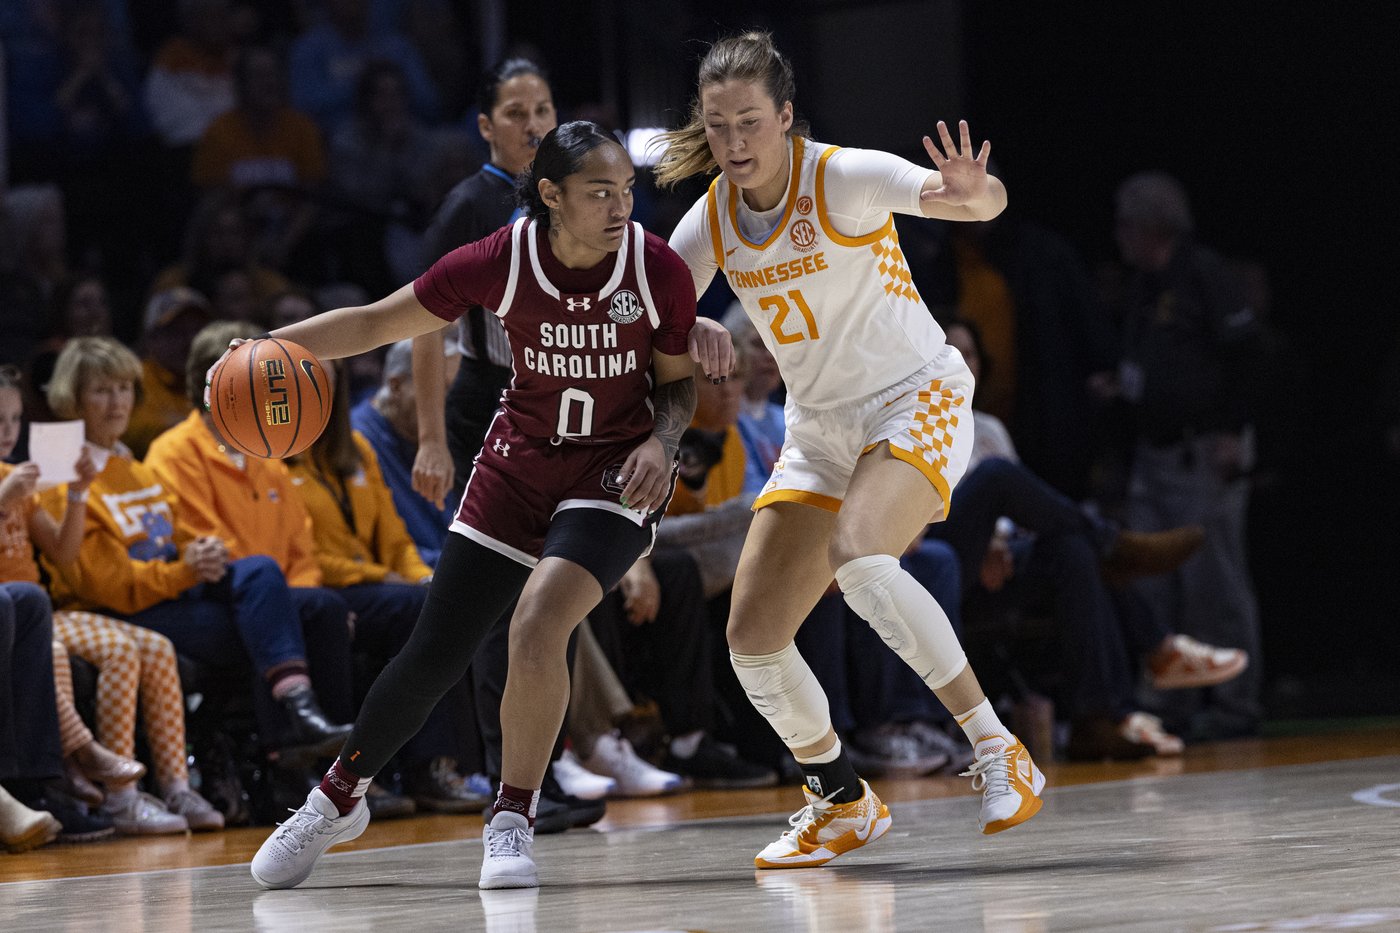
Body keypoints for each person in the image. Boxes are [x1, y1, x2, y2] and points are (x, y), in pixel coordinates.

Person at [248, 121, 708, 891]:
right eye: (600, 191)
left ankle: (511, 817)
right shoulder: (501, 257)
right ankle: (337, 796)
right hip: (517, 463)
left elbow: (679, 381)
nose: (619, 204)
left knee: (538, 621)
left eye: (626, 189)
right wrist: (262, 344)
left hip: (612, 473)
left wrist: (664, 441)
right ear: (551, 195)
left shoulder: (655, 267)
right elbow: (374, 322)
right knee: (435, 650)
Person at [658, 31, 1041, 867]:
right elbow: (656, 300)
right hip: (820, 425)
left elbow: (977, 201)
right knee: (752, 635)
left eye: (750, 123)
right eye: (718, 127)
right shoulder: (715, 214)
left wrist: (975, 196)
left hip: (915, 395)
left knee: (863, 559)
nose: (733, 144)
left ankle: (994, 745)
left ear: (786, 118)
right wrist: (682, 322)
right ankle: (840, 798)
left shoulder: (840, 176)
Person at [39, 337, 354, 760]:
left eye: (124, 388)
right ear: (73, 401)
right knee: (273, 623)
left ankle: (330, 745)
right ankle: (291, 753)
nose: (117, 403)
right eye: (101, 391)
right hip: (123, 611)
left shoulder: (132, 465)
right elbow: (107, 586)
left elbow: (178, 534)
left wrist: (201, 552)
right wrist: (186, 570)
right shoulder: (64, 475)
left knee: (300, 595)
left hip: (174, 591)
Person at [0, 366, 223, 832]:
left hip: (38, 611)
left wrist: (79, 493)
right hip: (36, 617)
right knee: (107, 650)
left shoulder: (18, 479)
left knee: (157, 647)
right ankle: (112, 792)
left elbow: (62, 554)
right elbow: (74, 576)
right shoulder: (13, 484)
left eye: (15, 420)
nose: (8, 431)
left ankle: (175, 787)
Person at [1108, 172, 1264, 741]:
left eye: (1126, 225)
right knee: (1152, 578)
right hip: (1154, 457)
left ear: (1152, 227)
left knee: (1215, 583)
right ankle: (1173, 704)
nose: (1119, 237)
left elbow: (1250, 357)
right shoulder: (1144, 285)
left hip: (1202, 453)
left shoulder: (1204, 275)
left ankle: (1235, 705)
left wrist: (1231, 430)